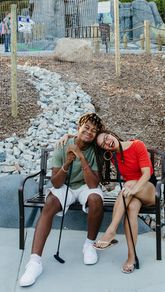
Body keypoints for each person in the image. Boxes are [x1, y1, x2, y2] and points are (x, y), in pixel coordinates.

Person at [19, 113, 105, 287]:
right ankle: (34, 262)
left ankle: (89, 245)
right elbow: (56, 184)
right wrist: (66, 164)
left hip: (84, 187)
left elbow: (93, 183)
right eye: (86, 127)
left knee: (96, 199)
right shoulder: (62, 144)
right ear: (78, 128)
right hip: (65, 186)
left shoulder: (95, 150)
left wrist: (81, 157)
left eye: (94, 130)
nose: (89, 132)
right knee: (49, 203)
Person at [92, 130, 155, 274]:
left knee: (127, 186)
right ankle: (131, 258)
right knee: (131, 209)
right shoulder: (113, 156)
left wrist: (133, 189)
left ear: (111, 133)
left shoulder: (137, 145)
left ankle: (111, 231)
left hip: (149, 190)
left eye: (106, 138)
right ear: (105, 150)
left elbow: (146, 174)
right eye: (104, 144)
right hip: (132, 195)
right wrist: (67, 136)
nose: (107, 142)